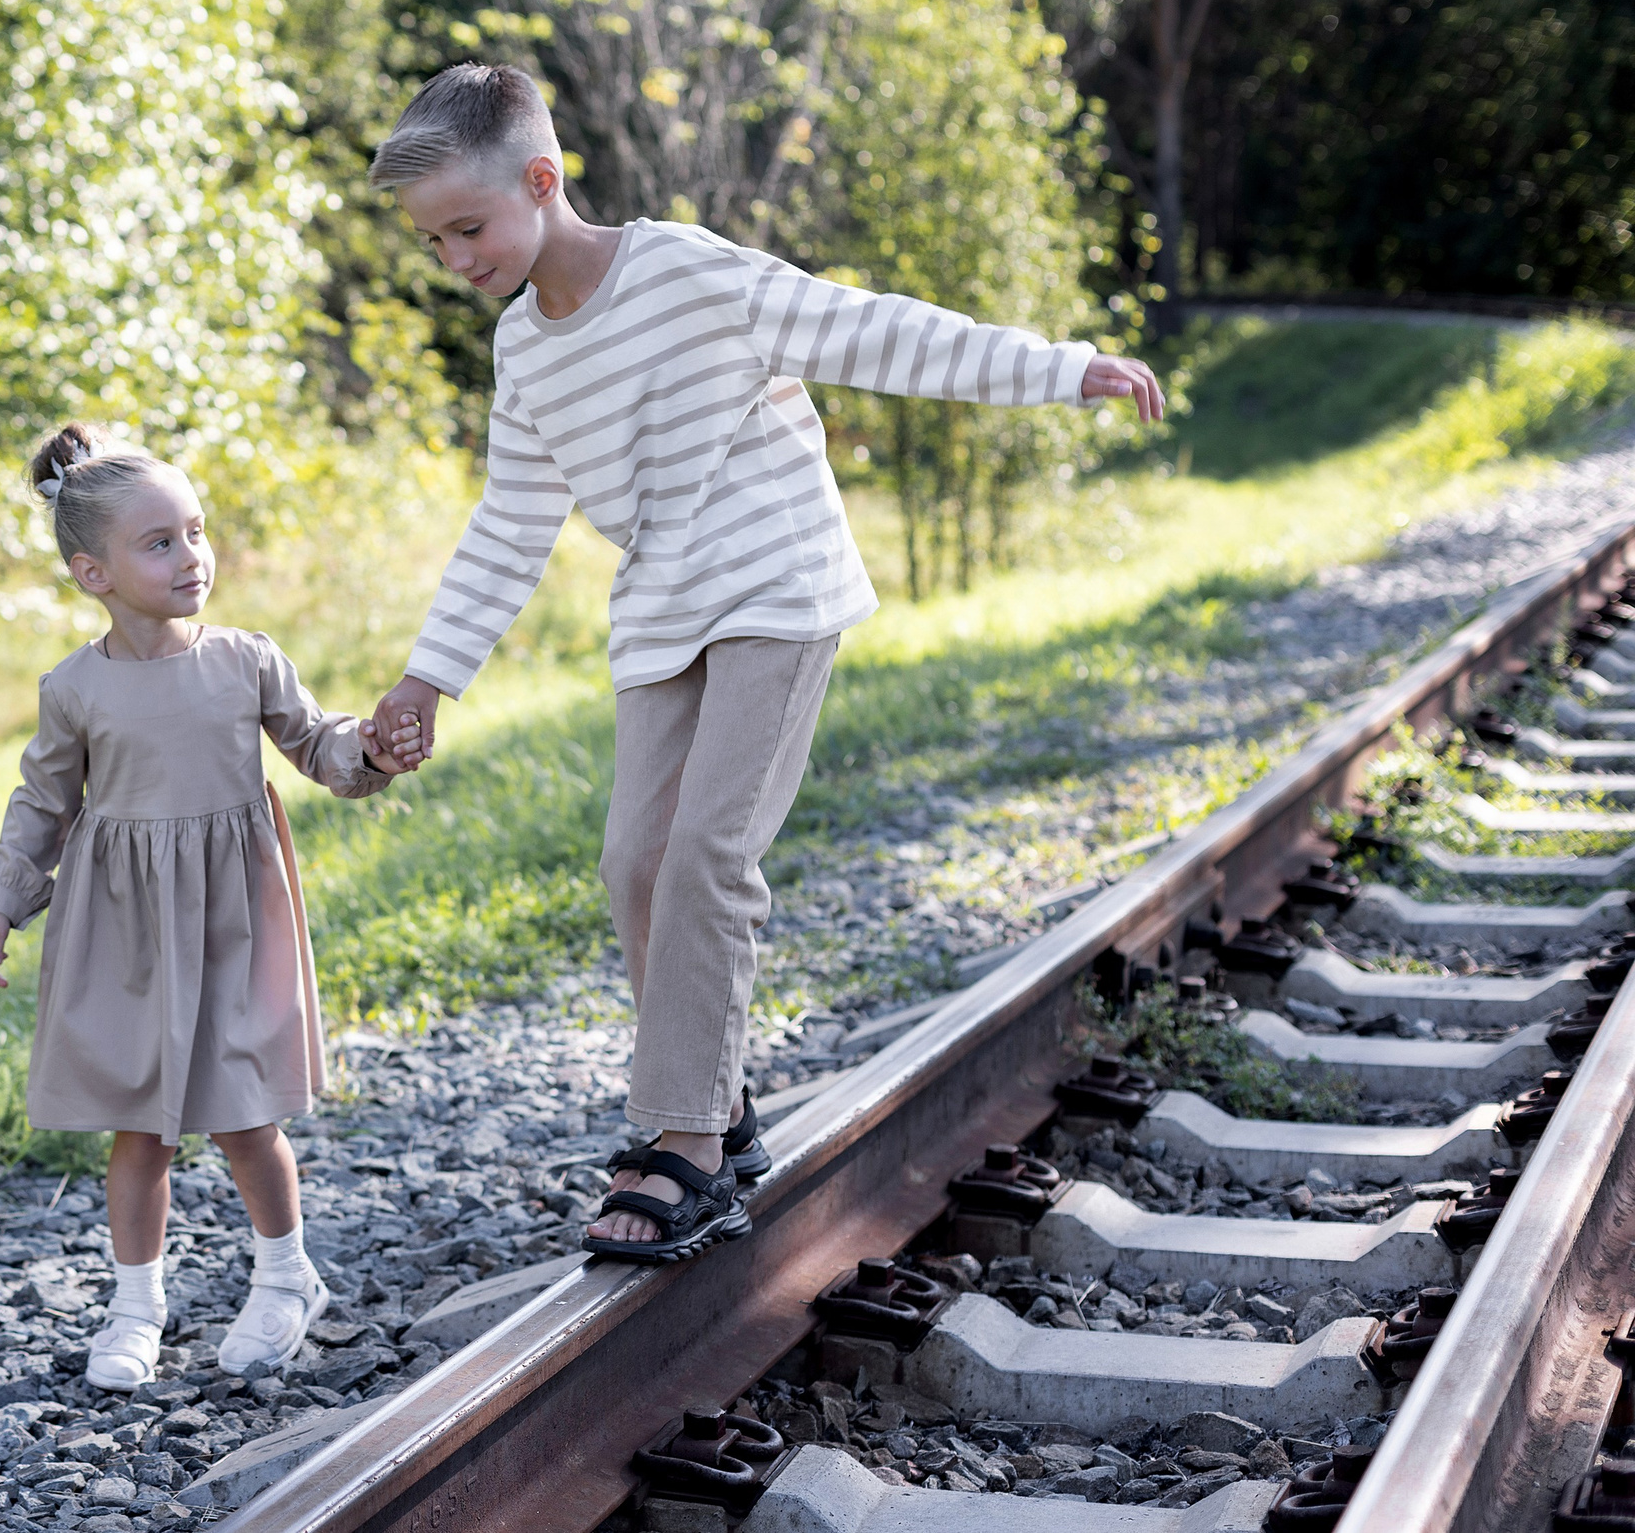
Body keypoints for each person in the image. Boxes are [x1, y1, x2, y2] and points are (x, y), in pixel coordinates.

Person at [362, 63, 1166, 1263]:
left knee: (707, 852)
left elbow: (868, 329)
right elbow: (510, 527)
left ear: (540, 179)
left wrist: (1057, 367)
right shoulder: (524, 350)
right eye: (433, 242)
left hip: (777, 587)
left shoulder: (685, 272)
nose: (453, 259)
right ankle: (714, 1101)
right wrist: (429, 676)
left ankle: (683, 1139)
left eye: (467, 229)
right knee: (634, 863)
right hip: (662, 609)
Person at [0, 423, 419, 1391]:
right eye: (161, 542)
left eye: (197, 532)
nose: (192, 557)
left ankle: (287, 1277)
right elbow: (44, 803)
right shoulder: (74, 689)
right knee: (141, 1125)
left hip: (233, 921)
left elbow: (317, 744)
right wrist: (3, 900)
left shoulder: (245, 660)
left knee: (244, 1115)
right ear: (93, 574)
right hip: (127, 932)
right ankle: (137, 1305)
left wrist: (372, 750)